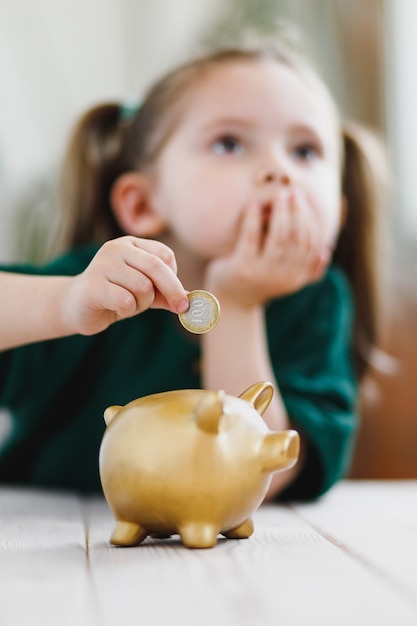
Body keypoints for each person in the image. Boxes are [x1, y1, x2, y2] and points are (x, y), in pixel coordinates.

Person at [0, 31, 386, 500]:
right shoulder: (100, 282)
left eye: (305, 151)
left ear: (338, 215)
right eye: (230, 144)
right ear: (142, 203)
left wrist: (238, 303)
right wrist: (64, 302)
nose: (278, 170)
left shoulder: (318, 305)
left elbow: (261, 469)